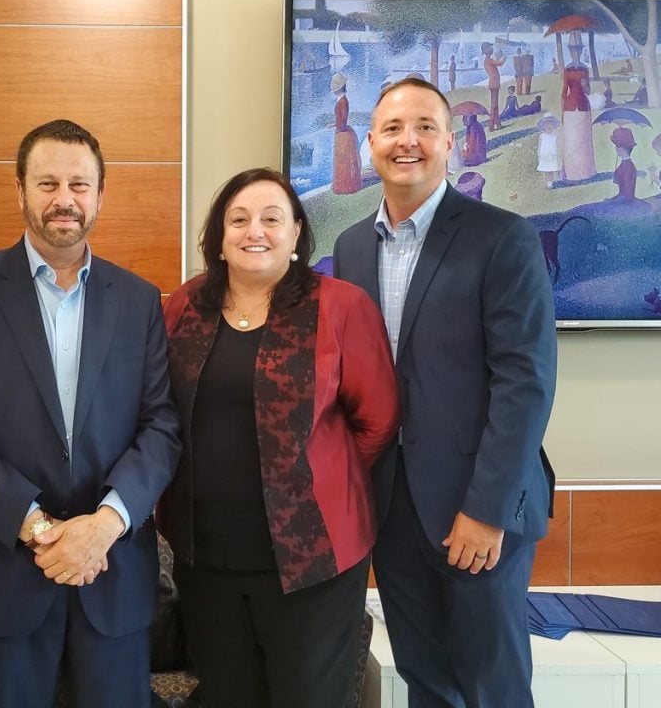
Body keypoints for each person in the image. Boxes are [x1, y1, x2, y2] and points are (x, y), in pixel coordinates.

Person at [0, 119, 181, 708]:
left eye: (80, 185)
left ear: (100, 196)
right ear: (20, 191)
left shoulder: (138, 299)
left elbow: (161, 426)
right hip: (0, 568)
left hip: (110, 569)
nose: (65, 199)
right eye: (48, 183)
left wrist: (104, 526)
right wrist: (40, 531)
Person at [333, 78, 558, 708]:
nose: (409, 141)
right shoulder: (351, 247)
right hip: (394, 508)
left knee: (494, 686)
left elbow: (525, 383)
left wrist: (487, 510)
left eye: (426, 127)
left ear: (451, 143)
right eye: (394, 129)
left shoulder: (503, 237)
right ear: (371, 141)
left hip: (480, 506)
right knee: (426, 680)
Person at [159, 167, 399, 708]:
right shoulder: (184, 306)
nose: (255, 231)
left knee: (308, 696)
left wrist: (310, 478)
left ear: (296, 235)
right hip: (205, 554)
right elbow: (161, 413)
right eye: (238, 219)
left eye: (272, 218)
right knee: (226, 695)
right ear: (219, 238)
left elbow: (378, 420)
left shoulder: (340, 305)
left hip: (311, 557)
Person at [560, 34, 597, 181]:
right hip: (569, 108)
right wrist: (562, 112)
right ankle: (571, 173)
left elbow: (589, 91)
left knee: (583, 139)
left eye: (578, 50)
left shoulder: (585, 69)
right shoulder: (567, 69)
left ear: (581, 51)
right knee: (571, 140)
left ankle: (585, 172)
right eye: (573, 50)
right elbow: (563, 92)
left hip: (583, 107)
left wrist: (584, 85)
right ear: (570, 52)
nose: (576, 52)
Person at [331, 72, 363, 193]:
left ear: (339, 88)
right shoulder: (340, 100)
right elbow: (341, 120)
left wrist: (338, 127)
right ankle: (343, 186)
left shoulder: (343, 101)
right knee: (342, 161)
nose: (333, 90)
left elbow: (343, 120)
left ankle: (346, 187)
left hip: (343, 134)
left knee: (344, 161)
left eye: (335, 87)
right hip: (341, 132)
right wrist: (334, 125)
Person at [481, 42, 507, 131]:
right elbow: (500, 63)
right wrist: (504, 56)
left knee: (495, 105)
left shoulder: (488, 60)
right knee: (494, 105)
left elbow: (496, 63)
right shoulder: (488, 60)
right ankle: (491, 125)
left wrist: (499, 57)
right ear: (487, 51)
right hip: (494, 83)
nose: (492, 49)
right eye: (490, 48)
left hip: (494, 83)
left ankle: (497, 123)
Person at [537, 112, 563, 188]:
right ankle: (548, 182)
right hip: (544, 155)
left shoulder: (555, 136)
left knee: (551, 170)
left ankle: (551, 182)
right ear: (543, 126)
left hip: (552, 154)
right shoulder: (542, 136)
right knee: (546, 170)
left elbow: (558, 145)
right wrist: (539, 154)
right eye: (547, 124)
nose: (549, 126)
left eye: (551, 124)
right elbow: (540, 146)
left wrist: (558, 154)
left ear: (554, 126)